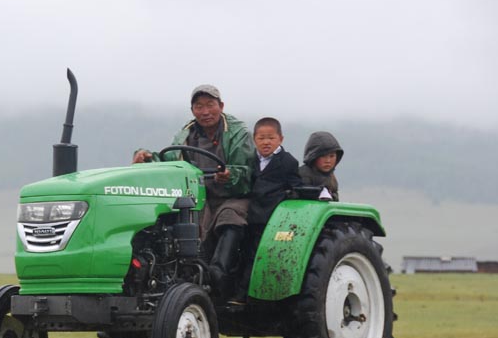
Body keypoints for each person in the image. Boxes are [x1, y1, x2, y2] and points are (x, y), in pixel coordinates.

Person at [133, 84, 255, 298]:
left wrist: (230, 175)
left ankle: (218, 275)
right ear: (192, 110)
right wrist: (148, 158)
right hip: (200, 195)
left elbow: (248, 173)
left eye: (210, 105)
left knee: (230, 216)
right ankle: (182, 274)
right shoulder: (186, 134)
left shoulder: (238, 133)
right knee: (184, 218)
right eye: (199, 106)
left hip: (233, 195)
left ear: (221, 106)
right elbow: (171, 162)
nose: (205, 111)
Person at [236, 117, 302, 303]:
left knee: (258, 255)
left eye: (271, 138)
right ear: (254, 139)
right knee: (243, 253)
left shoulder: (288, 162)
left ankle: (248, 296)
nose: (266, 142)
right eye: (261, 138)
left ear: (281, 139)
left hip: (271, 217)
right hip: (250, 215)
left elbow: (296, 186)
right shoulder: (250, 160)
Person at [299, 131, 343, 201]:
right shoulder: (303, 174)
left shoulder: (331, 177)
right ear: (313, 157)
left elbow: (335, 197)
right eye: (323, 156)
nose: (328, 161)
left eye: (332, 156)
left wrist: (332, 196)